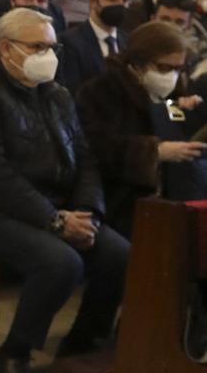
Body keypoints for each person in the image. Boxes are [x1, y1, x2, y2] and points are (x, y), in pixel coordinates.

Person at [0, 7, 130, 373]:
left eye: (52, 46)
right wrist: (55, 221)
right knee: (60, 261)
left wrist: (88, 214)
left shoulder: (57, 94)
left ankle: (82, 341)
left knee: (117, 252)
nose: (49, 54)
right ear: (7, 49)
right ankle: (16, 352)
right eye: (39, 46)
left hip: (52, 205)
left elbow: (85, 160)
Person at [75, 20, 207, 238]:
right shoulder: (100, 92)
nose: (171, 76)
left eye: (177, 69)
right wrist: (155, 152)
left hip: (175, 196)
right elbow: (98, 148)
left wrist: (188, 112)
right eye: (164, 68)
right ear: (137, 62)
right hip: (121, 200)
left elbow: (176, 129)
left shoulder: (171, 92)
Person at [58, 0, 132, 93]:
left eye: (125, 0)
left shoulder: (129, 42)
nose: (120, 5)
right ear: (93, 1)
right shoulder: (69, 42)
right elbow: (71, 91)